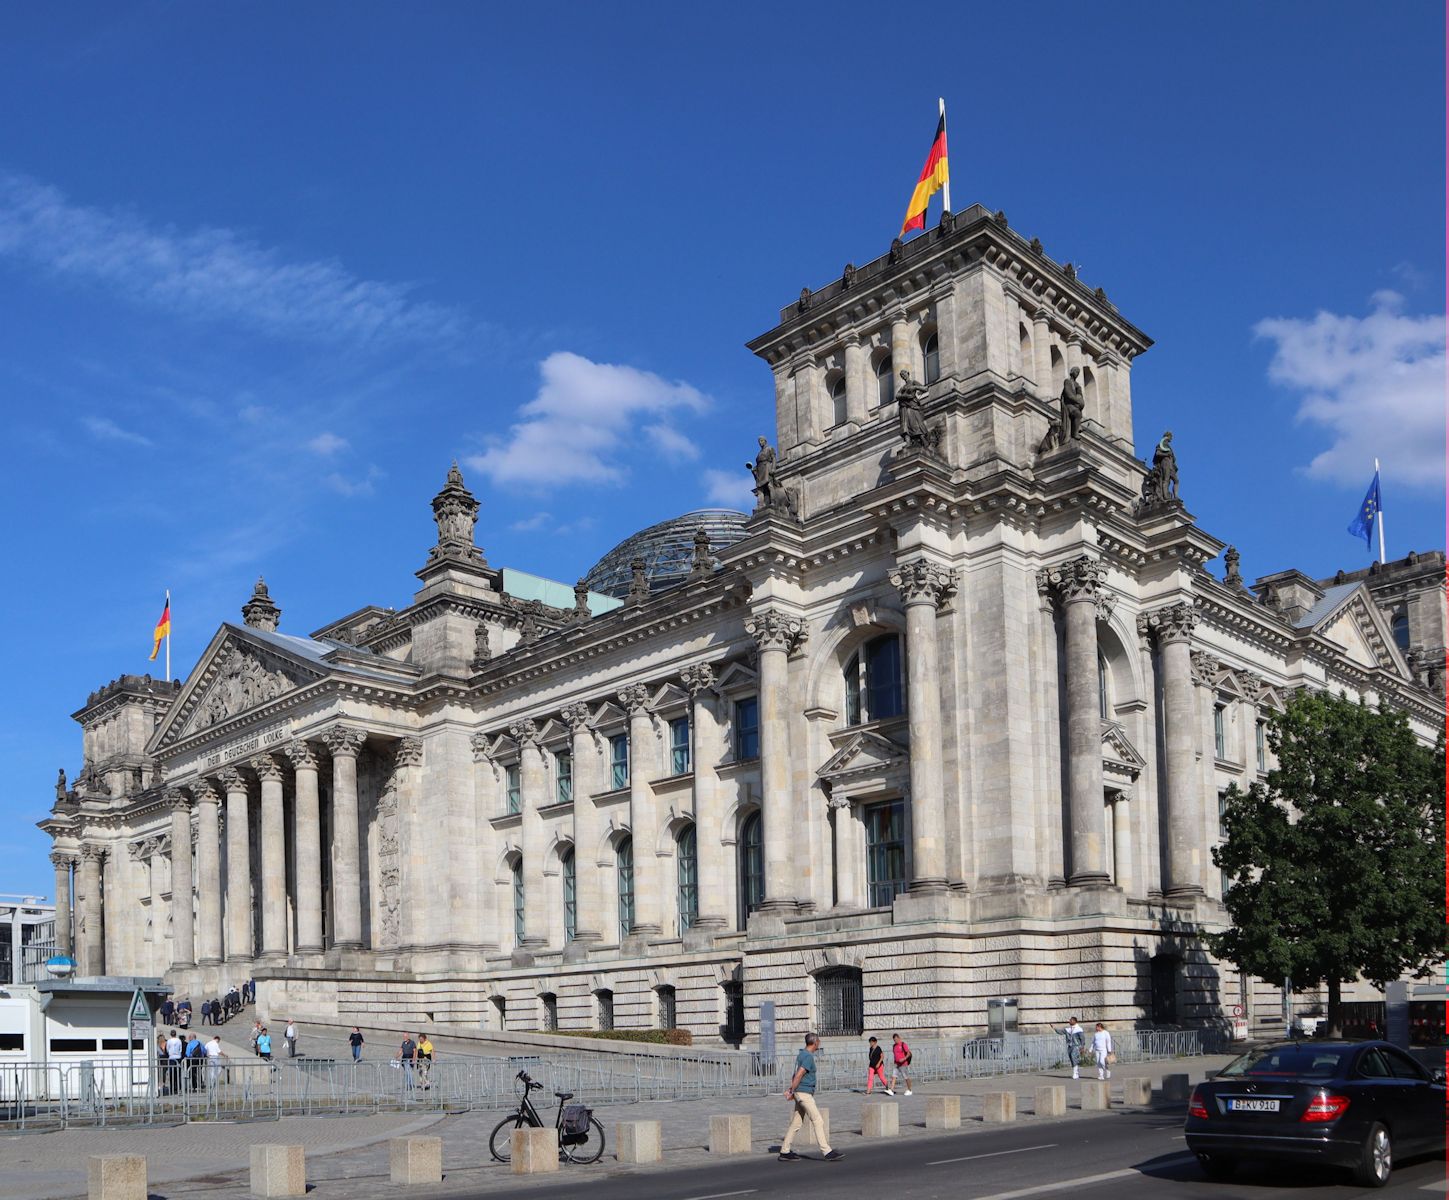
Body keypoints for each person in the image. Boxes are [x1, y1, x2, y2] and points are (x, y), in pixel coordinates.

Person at [778, 1032, 843, 1162]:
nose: (819, 1043)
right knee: (818, 1120)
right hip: (804, 1093)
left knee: (796, 1122)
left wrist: (793, 1090)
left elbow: (795, 1073)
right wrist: (792, 1090)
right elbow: (799, 1074)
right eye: (818, 1041)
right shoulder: (808, 1057)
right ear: (815, 1043)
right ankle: (827, 1151)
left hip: (799, 1093)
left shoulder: (801, 1054)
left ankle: (784, 1151)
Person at [889, 1032, 913, 1096]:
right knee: (894, 1076)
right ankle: (891, 1089)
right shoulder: (894, 1046)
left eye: (896, 1039)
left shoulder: (903, 1044)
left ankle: (910, 1090)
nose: (895, 1041)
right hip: (896, 1064)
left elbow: (908, 1053)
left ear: (899, 1038)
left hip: (903, 1064)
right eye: (894, 1040)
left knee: (906, 1077)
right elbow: (895, 1054)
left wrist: (904, 1058)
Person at [166, 1028, 184, 1095]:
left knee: (171, 1073)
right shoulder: (179, 1040)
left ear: (171, 1034)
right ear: (175, 1034)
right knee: (178, 1073)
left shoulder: (169, 1041)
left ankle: (172, 1088)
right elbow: (180, 1049)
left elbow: (167, 1049)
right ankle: (178, 1088)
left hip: (171, 1058)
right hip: (178, 1057)